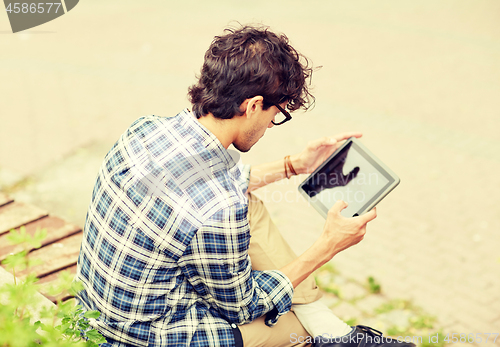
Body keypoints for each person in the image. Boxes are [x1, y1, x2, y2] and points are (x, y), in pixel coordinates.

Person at [74, 25, 414, 347]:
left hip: (100, 307)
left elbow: (212, 186)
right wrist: (328, 245)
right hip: (145, 337)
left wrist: (295, 164)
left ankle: (322, 318)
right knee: (298, 327)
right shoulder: (221, 209)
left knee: (246, 201)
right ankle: (329, 328)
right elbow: (245, 306)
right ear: (252, 105)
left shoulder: (145, 129)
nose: (270, 124)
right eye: (275, 113)